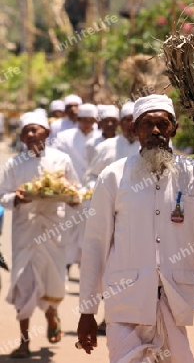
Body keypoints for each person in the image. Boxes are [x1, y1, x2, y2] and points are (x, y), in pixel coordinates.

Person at [76, 94, 194, 363]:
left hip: (174, 303)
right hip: (125, 304)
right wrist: (87, 311)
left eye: (162, 124)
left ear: (174, 128)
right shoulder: (114, 176)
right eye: (147, 124)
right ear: (133, 129)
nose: (155, 131)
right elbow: (95, 245)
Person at [0, 112, 80, 358]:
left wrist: (73, 199)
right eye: (27, 131)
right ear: (22, 137)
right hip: (25, 233)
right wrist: (17, 198)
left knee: (51, 281)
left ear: (46, 132)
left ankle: (51, 315)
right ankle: (24, 342)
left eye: (36, 130)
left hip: (53, 232)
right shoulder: (13, 164)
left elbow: (75, 191)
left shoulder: (61, 159)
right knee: (23, 284)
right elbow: (3, 196)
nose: (32, 135)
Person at [84, 101, 139, 336]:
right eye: (125, 119)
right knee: (111, 265)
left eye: (132, 120)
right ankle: (110, 315)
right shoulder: (107, 148)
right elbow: (91, 177)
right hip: (111, 218)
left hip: (141, 221)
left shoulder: (151, 147)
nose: (128, 124)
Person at [54, 104, 99, 267]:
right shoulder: (64, 137)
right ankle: (64, 269)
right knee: (67, 234)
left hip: (93, 194)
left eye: (91, 120)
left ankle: (84, 273)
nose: (87, 124)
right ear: (78, 120)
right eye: (84, 120)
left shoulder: (101, 138)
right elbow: (55, 162)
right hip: (69, 194)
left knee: (89, 236)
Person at [85, 101, 139, 190]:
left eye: (135, 120)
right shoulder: (105, 147)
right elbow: (92, 176)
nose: (131, 124)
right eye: (128, 120)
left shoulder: (148, 147)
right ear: (120, 123)